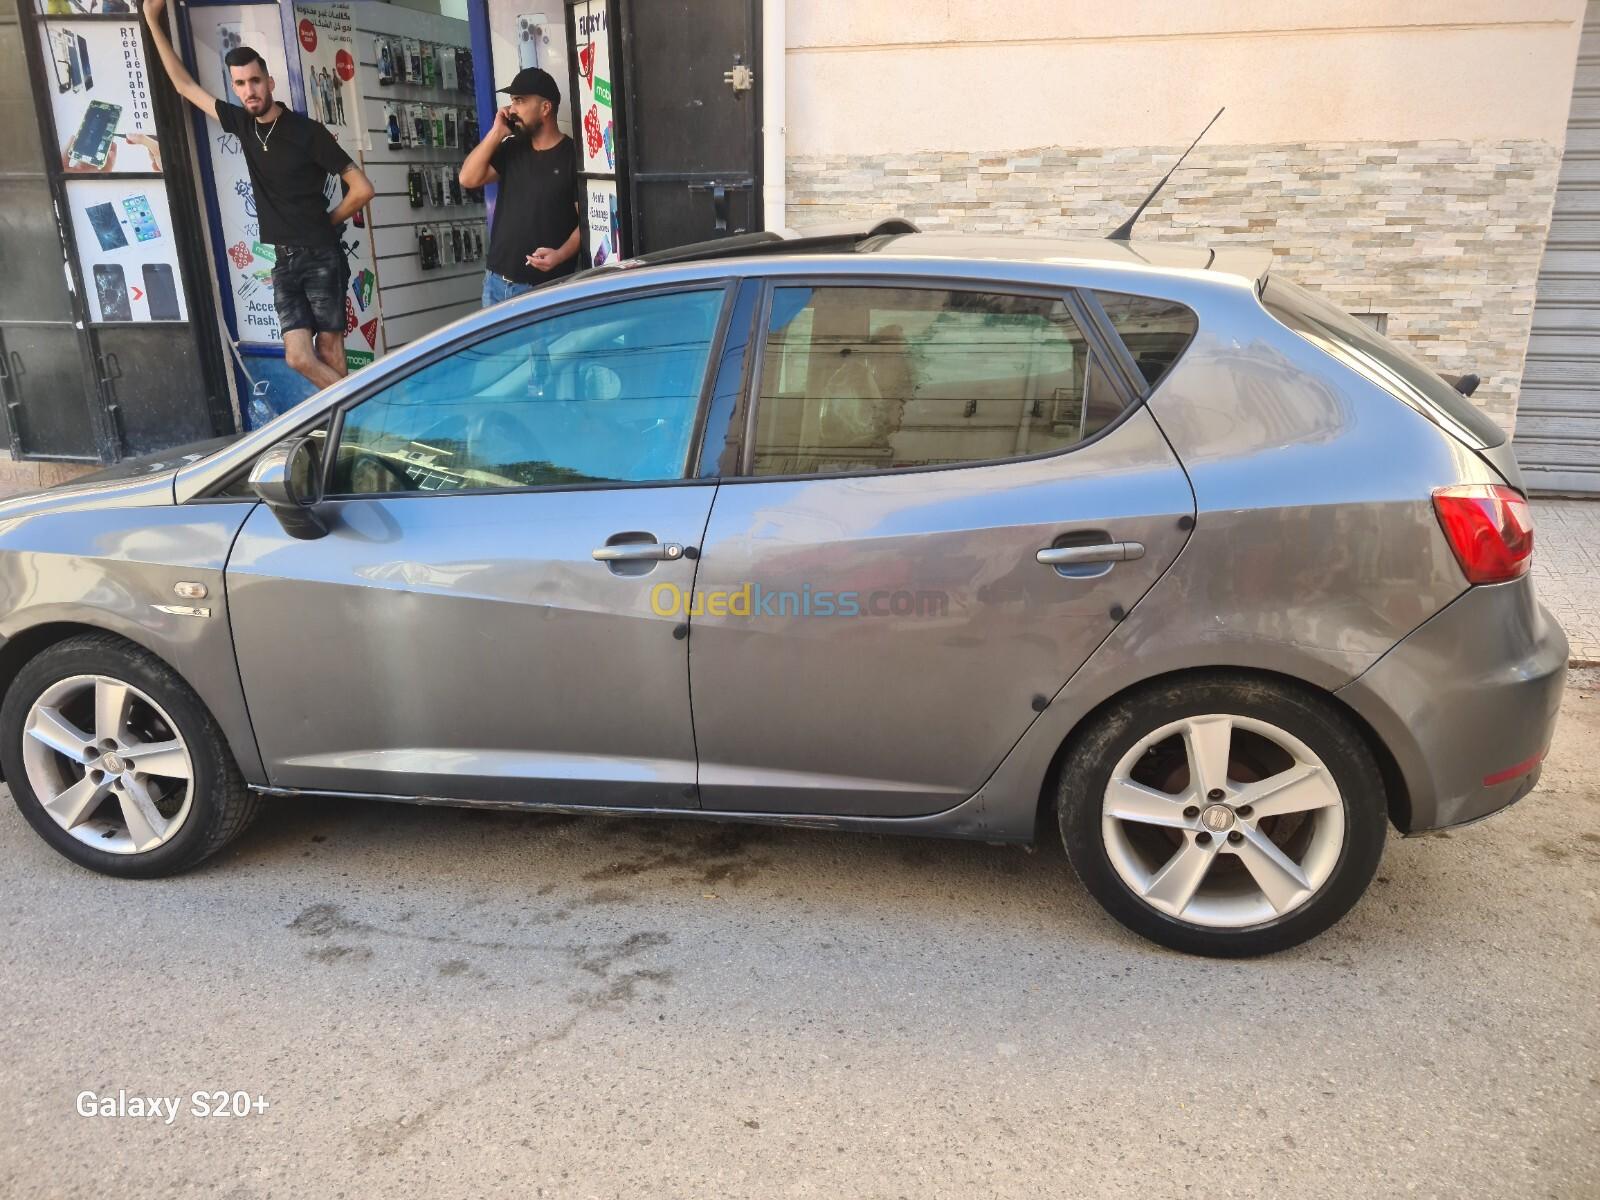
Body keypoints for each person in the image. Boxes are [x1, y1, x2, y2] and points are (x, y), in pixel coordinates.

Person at [141, 0, 374, 390]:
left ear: (269, 81)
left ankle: (345, 431)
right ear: (235, 87)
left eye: (255, 81)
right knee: (298, 355)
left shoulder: (307, 131)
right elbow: (184, 86)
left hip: (320, 253)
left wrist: (329, 222)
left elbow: (363, 188)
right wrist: (152, 20)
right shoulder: (242, 125)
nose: (249, 90)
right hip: (283, 259)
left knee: (331, 349)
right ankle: (359, 407)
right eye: (240, 84)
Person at [459, 67, 581, 307]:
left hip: (543, 290)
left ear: (545, 108)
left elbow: (586, 222)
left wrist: (561, 254)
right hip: (495, 284)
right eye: (511, 101)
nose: (511, 109)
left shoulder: (573, 157)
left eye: (519, 101)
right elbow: (467, 178)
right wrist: (496, 132)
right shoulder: (512, 148)